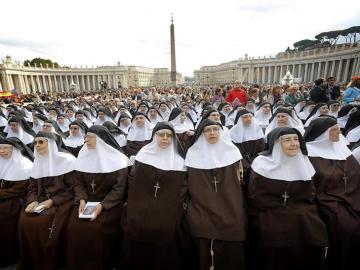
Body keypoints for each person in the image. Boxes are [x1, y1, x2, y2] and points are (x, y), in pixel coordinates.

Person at [247, 127, 328, 270]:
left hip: (302, 211)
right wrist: (284, 210)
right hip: (268, 211)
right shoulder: (261, 164)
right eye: (287, 140)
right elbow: (255, 197)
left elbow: (310, 195)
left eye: (296, 139)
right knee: (276, 234)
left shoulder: (303, 161)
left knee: (314, 230)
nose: (294, 143)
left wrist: (296, 210)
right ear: (276, 144)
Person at [121, 122, 189, 270]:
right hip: (140, 203)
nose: (165, 138)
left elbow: (182, 189)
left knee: (168, 226)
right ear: (154, 137)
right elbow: (133, 182)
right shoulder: (143, 156)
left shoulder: (180, 161)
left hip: (169, 206)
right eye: (161, 135)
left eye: (169, 136)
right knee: (134, 223)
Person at [185, 119, 246, 270]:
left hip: (230, 207)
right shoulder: (193, 155)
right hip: (202, 207)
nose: (212, 133)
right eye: (207, 130)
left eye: (215, 129)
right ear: (201, 134)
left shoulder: (233, 153)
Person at [66, 125, 129, 270]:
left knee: (96, 229)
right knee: (73, 225)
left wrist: (102, 205)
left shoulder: (118, 159)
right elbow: (79, 183)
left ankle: (102, 264)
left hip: (109, 204)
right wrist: (81, 199)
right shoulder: (83, 155)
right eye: (85, 137)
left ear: (100, 140)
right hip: (86, 201)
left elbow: (118, 189)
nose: (86, 140)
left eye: (90, 138)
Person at [304, 116, 360, 270]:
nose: (339, 133)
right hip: (326, 201)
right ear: (323, 133)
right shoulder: (309, 154)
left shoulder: (342, 148)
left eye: (338, 129)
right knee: (348, 228)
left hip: (352, 196)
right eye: (334, 130)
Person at [18, 132, 75, 269]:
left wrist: (52, 201)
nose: (37, 145)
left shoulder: (68, 161)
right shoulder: (38, 160)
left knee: (42, 221)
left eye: (41, 142)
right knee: (24, 218)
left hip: (62, 201)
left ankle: (49, 261)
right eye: (35, 142)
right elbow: (32, 187)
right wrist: (32, 201)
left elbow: (72, 189)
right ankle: (32, 260)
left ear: (51, 144)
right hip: (40, 200)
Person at [0, 137, 33, 268]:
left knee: (3, 216)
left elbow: (19, 190)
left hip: (16, 200)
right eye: (0, 149)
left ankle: (9, 255)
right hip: (4, 197)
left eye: (5, 148)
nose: (2, 151)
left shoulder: (24, 165)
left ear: (14, 150)